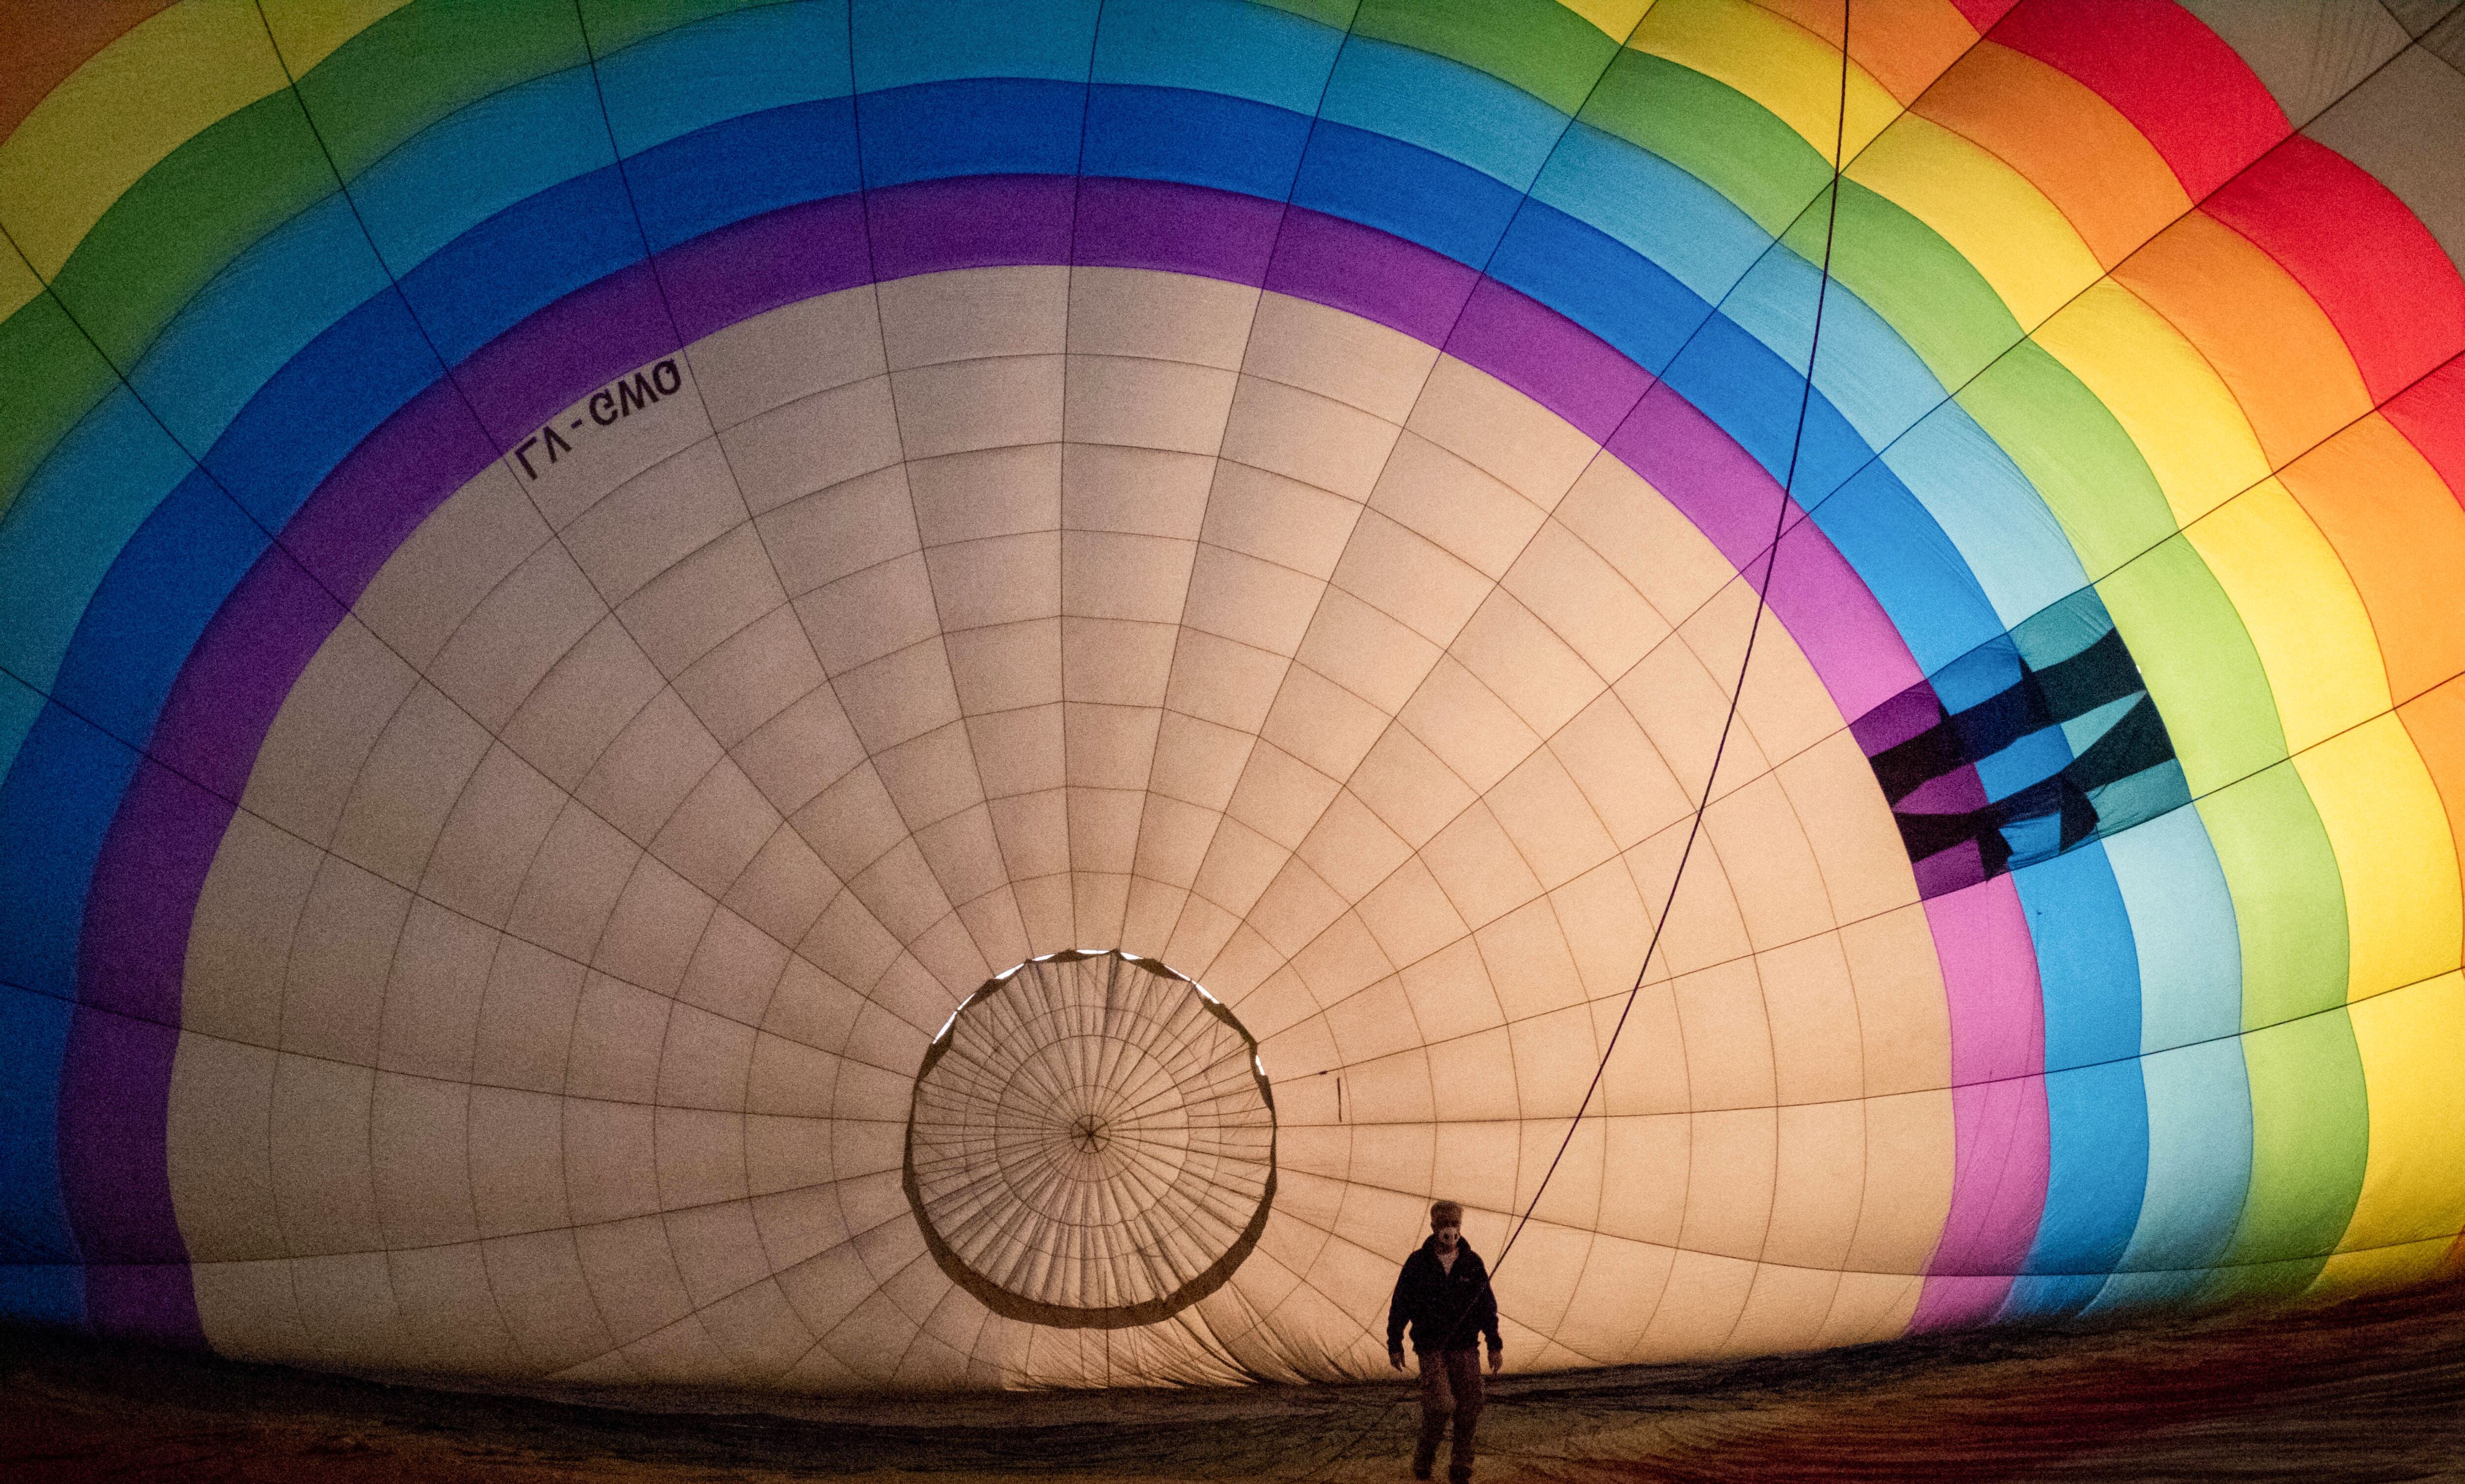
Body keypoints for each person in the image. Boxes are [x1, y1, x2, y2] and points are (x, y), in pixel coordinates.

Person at [1386, 1200, 1502, 1483]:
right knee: (1440, 1406)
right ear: (1433, 1226)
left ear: (1460, 1226)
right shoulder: (1417, 1263)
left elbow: (1487, 1306)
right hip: (1432, 1348)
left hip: (1465, 1347)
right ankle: (1424, 1458)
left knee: (1471, 1403)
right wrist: (1395, 1342)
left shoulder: (1472, 1264)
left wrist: (1494, 1344)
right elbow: (1400, 1304)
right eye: (1443, 1224)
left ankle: (1461, 1463)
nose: (1449, 1230)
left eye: (1455, 1223)